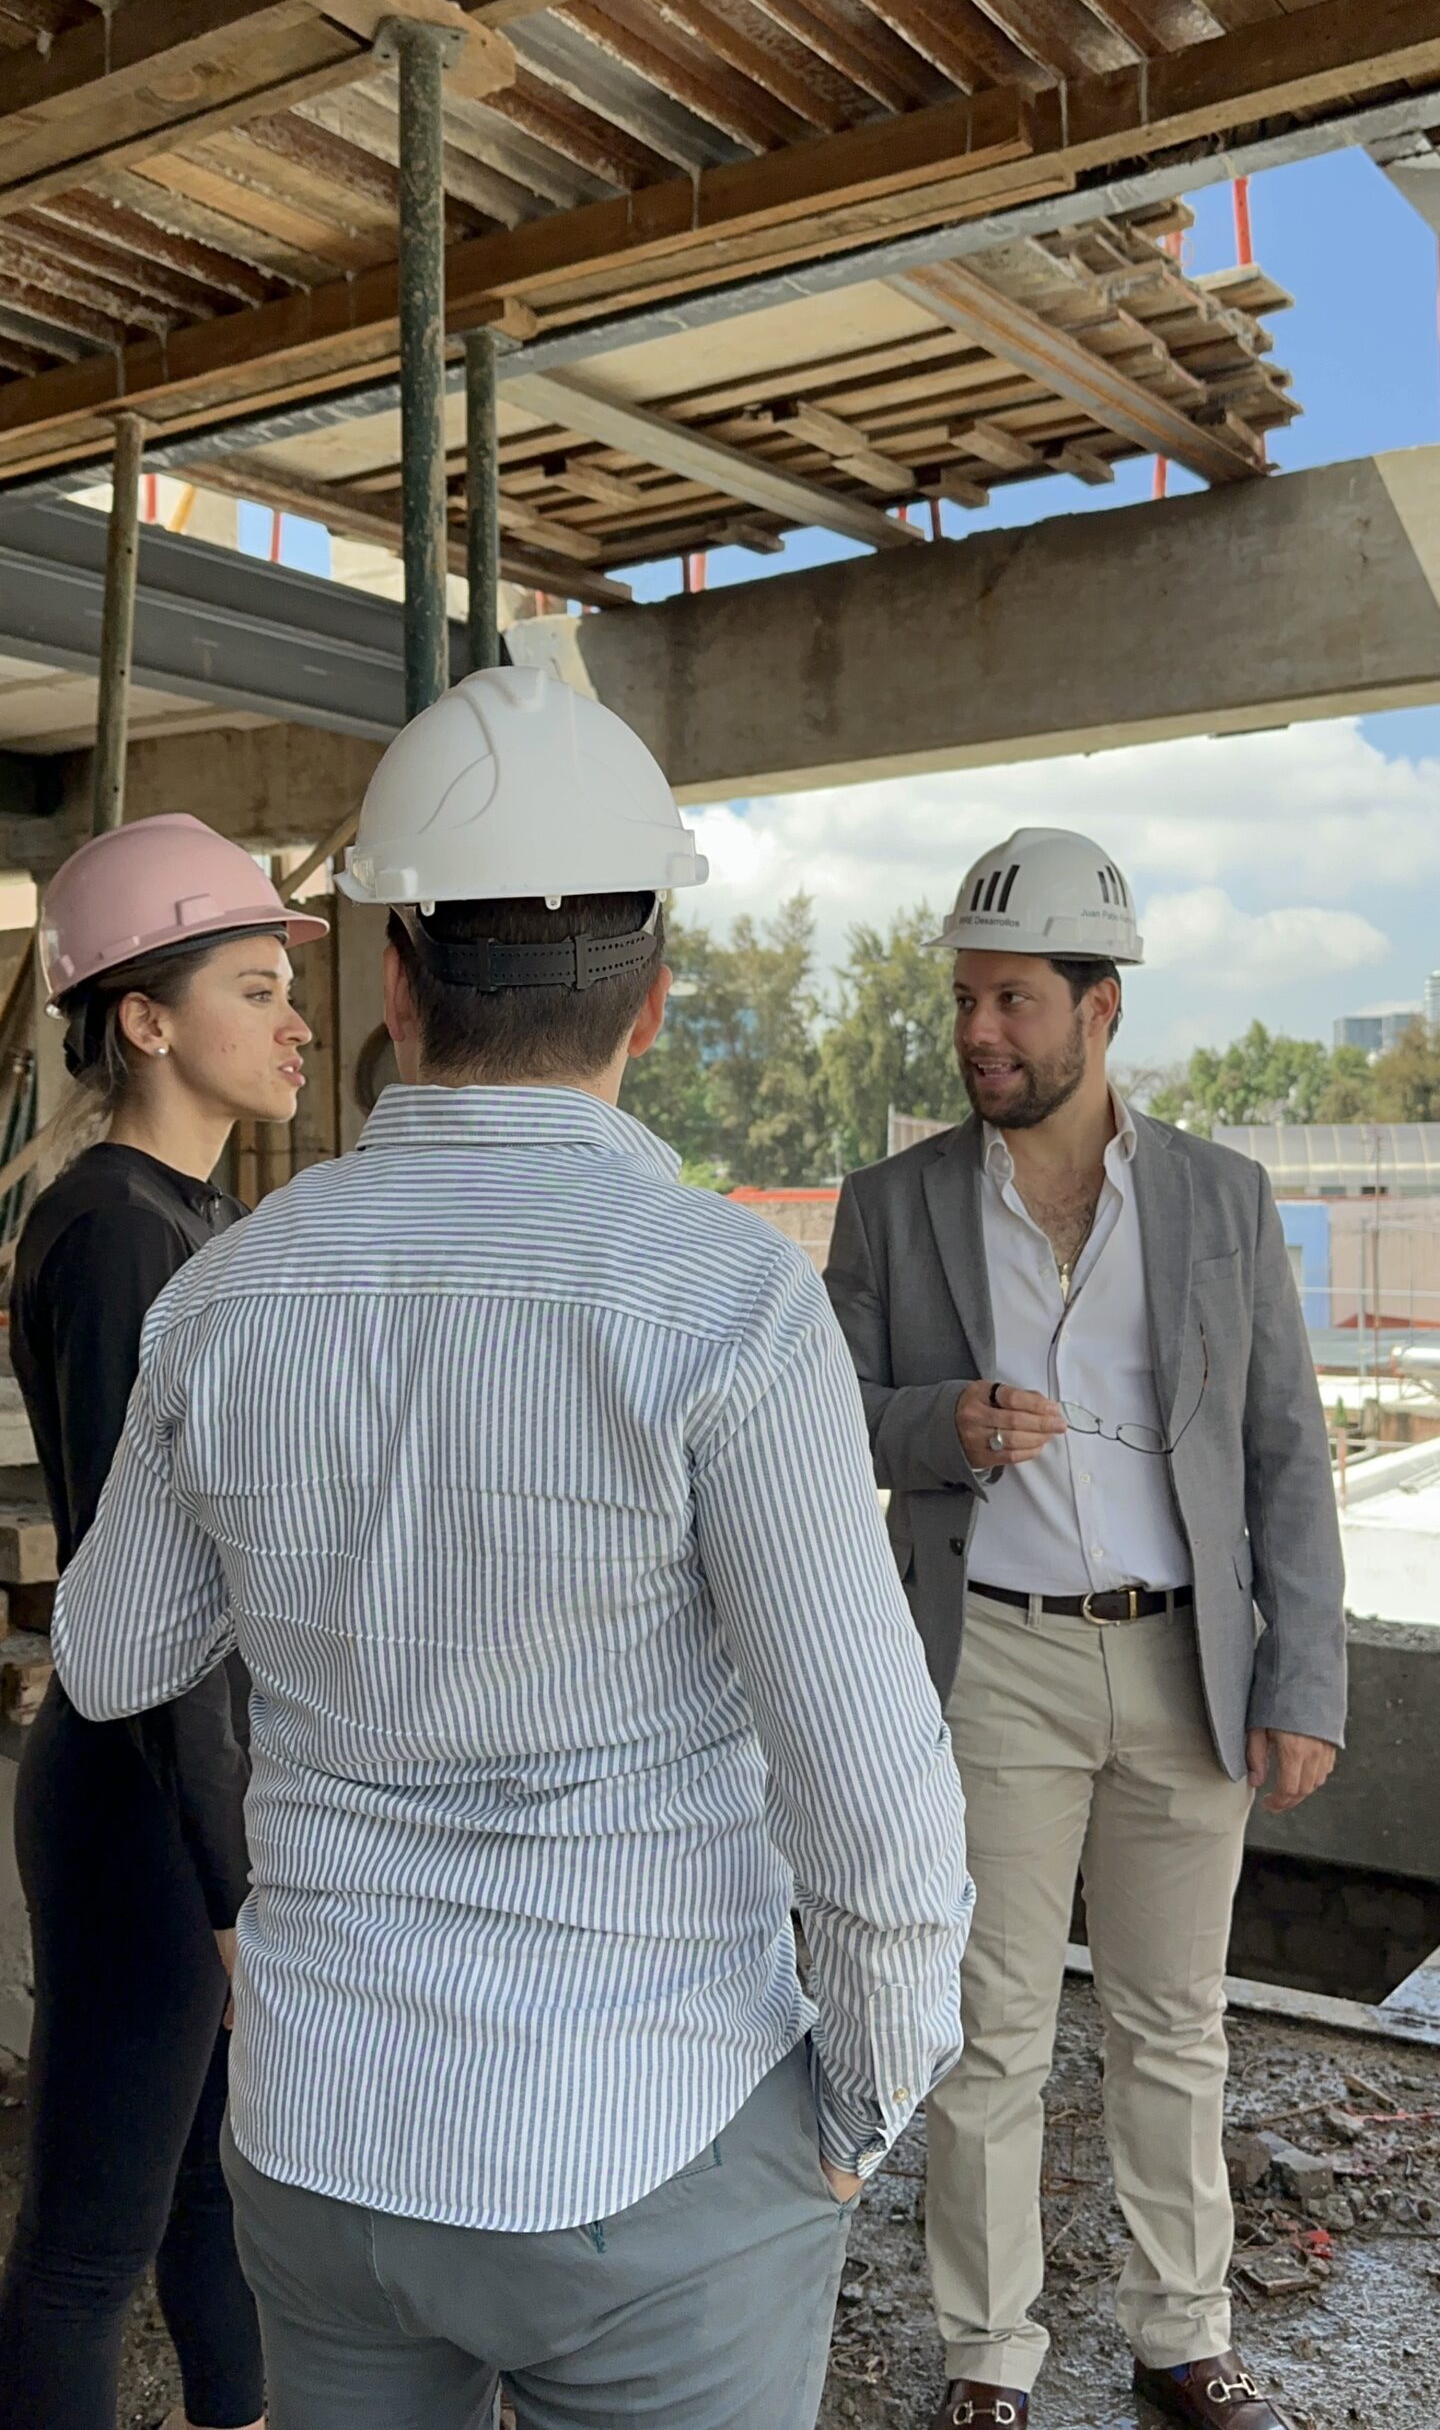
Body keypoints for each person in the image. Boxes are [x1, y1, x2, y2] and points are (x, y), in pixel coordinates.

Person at [52, 667, 972, 2430]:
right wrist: (863, 2107)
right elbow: (873, 1796)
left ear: (395, 978)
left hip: (325, 2145)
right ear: (656, 999)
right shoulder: (724, 1300)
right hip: (650, 2132)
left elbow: (110, 1658)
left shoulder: (231, 1291)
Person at [825, 827, 1345, 2430]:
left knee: (1174, 2024)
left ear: (1098, 1007)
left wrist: (1303, 1677)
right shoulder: (894, 1205)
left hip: (1192, 1664)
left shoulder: (1220, 1199)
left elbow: (1284, 1450)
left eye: (1013, 1002)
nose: (978, 1032)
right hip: (994, 1662)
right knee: (990, 2030)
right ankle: (989, 2358)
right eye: (965, 1001)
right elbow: (829, 1413)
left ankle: (1183, 2335)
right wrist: (941, 1424)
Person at [0, 814, 325, 2430]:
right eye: (255, 990)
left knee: (214, 2188)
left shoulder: (186, 1218)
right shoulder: (124, 1231)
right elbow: (153, 1604)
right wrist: (223, 1882)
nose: (296, 1023)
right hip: (143, 1792)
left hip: (185, 1781)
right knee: (87, 2239)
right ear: (143, 1017)